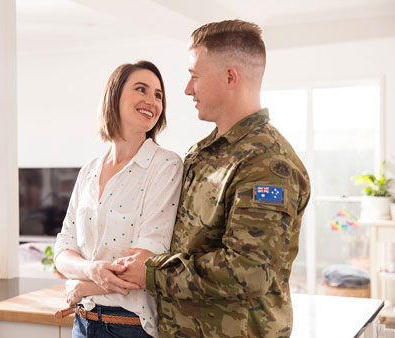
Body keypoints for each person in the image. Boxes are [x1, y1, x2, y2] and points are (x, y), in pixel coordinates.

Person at [115, 20, 311, 337]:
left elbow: (246, 272)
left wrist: (150, 273)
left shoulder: (267, 163)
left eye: (195, 76)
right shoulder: (202, 152)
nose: (187, 89)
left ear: (230, 77)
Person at [53, 60, 184, 338]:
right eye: (141, 89)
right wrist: (90, 269)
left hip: (128, 327)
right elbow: (63, 249)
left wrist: (82, 286)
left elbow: (146, 260)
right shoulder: (89, 170)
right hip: (82, 322)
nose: (152, 101)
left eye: (158, 95)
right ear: (114, 96)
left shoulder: (165, 165)